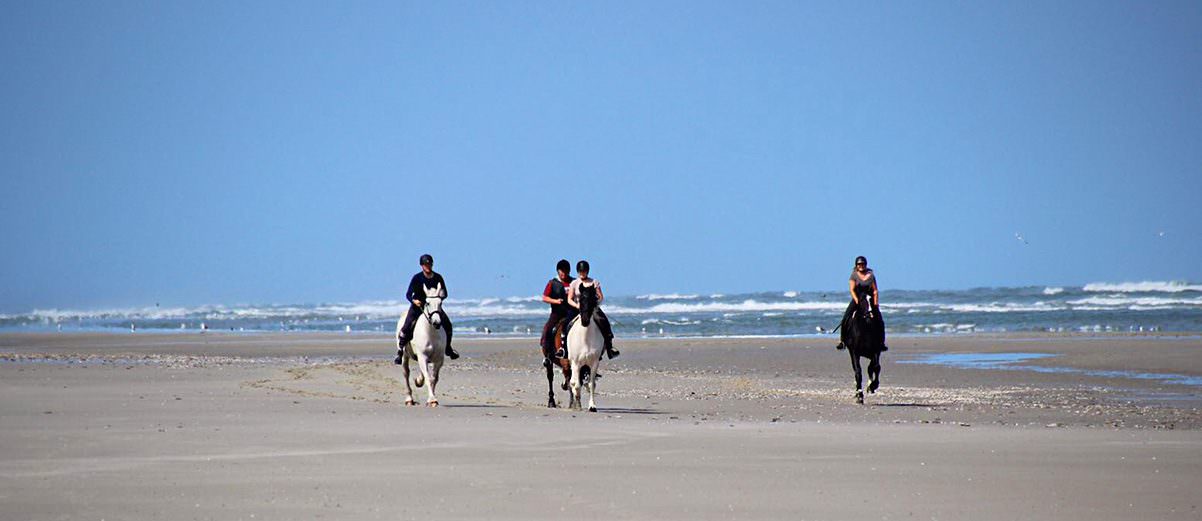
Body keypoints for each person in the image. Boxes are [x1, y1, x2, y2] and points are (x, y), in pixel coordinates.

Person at [397, 254, 459, 360]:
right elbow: (408, 294)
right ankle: (400, 351)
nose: (428, 266)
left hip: (433, 307)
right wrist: (414, 301)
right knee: (407, 325)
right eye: (426, 264)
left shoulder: (438, 277)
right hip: (418, 307)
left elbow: (445, 293)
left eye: (429, 264)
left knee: (448, 325)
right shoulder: (417, 278)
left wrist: (438, 299)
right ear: (421, 265)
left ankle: (448, 348)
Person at [558, 260, 620, 360]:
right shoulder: (574, 283)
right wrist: (577, 305)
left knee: (603, 321)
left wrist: (595, 302)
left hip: (592, 308)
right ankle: (563, 348)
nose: (582, 273)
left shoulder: (594, 282)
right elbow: (569, 299)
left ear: (587, 271)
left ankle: (609, 347)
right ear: (578, 272)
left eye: (584, 271)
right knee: (566, 323)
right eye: (580, 271)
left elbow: (600, 297)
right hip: (577, 308)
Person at [837, 255, 887, 352]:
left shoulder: (871, 276)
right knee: (846, 318)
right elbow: (852, 289)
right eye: (859, 264)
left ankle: (881, 343)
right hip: (858, 299)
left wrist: (875, 303)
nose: (861, 266)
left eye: (863, 264)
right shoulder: (854, 275)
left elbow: (875, 290)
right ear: (856, 265)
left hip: (869, 300)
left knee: (879, 319)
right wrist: (856, 300)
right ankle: (842, 341)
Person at [539, 259, 574, 364]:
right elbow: (544, 297)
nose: (564, 273)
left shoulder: (574, 282)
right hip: (557, 313)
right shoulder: (552, 283)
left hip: (572, 311)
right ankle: (547, 355)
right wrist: (556, 301)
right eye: (561, 271)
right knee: (547, 329)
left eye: (566, 271)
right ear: (558, 271)